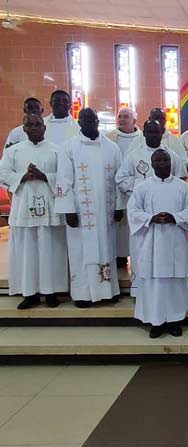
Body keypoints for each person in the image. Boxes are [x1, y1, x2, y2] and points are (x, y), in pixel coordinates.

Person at [55, 108, 126, 308]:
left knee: (106, 249)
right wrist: (68, 209)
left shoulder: (112, 148)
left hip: (106, 211)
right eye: (84, 119)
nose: (88, 122)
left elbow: (119, 179)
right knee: (82, 252)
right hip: (80, 213)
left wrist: (120, 206)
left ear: (97, 121)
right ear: (79, 122)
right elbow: (63, 180)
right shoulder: (69, 147)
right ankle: (83, 294)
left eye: (92, 118)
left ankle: (107, 291)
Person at [128, 149, 188, 338]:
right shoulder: (142, 188)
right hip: (151, 243)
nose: (162, 163)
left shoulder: (183, 187)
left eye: (165, 160)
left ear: (171, 163)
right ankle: (156, 321)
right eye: (158, 160)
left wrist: (174, 217)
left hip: (175, 241)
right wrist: (150, 218)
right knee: (154, 283)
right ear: (152, 164)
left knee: (175, 282)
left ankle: (175, 320)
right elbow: (133, 212)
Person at [0, 114, 68, 309]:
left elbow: (65, 177)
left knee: (51, 251)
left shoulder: (57, 151)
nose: (35, 128)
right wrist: (23, 176)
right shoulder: (14, 151)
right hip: (24, 209)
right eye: (30, 125)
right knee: (26, 253)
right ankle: (29, 294)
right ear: (24, 128)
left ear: (44, 128)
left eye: (38, 124)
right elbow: (2, 173)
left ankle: (51, 292)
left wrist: (44, 175)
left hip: (50, 210)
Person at [115, 119, 188, 292]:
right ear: (144, 133)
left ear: (162, 133)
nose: (153, 135)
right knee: (144, 254)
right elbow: (121, 179)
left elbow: (182, 181)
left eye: (157, 132)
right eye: (150, 132)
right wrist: (145, 185)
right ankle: (143, 291)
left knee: (169, 256)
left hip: (169, 217)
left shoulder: (172, 156)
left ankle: (169, 293)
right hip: (144, 216)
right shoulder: (133, 155)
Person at [106, 107, 142, 266]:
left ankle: (137, 256)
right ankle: (120, 257)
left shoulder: (143, 138)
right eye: (119, 116)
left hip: (137, 188)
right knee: (119, 224)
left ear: (134, 121)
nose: (121, 119)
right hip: (115, 187)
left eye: (126, 116)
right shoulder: (109, 139)